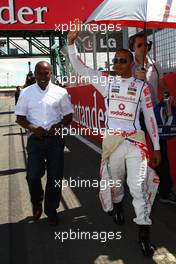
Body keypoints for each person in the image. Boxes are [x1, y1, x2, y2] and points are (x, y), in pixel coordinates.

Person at [67, 19, 161, 257]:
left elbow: (150, 119)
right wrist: (71, 44)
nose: (117, 64)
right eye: (115, 60)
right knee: (116, 184)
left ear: (131, 63)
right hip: (112, 143)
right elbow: (81, 68)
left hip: (136, 143)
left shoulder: (142, 87)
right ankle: (118, 205)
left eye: (122, 60)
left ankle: (144, 236)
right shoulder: (106, 82)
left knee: (138, 187)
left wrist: (156, 147)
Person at [15, 61, 73, 226]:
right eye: (39, 73)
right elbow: (20, 118)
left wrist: (59, 125)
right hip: (35, 139)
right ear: (34, 74)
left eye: (46, 73)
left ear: (51, 74)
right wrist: (33, 128)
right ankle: (36, 200)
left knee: (55, 176)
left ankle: (51, 210)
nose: (42, 77)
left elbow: (68, 115)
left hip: (55, 138)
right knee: (33, 175)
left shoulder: (61, 92)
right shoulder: (26, 93)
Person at [129, 32, 176, 204]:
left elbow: (162, 85)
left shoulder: (155, 65)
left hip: (155, 113)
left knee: (161, 151)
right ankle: (137, 189)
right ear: (133, 48)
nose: (143, 48)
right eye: (139, 45)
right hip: (136, 115)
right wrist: (137, 80)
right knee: (136, 153)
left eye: (145, 45)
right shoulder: (129, 67)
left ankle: (165, 191)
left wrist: (166, 95)